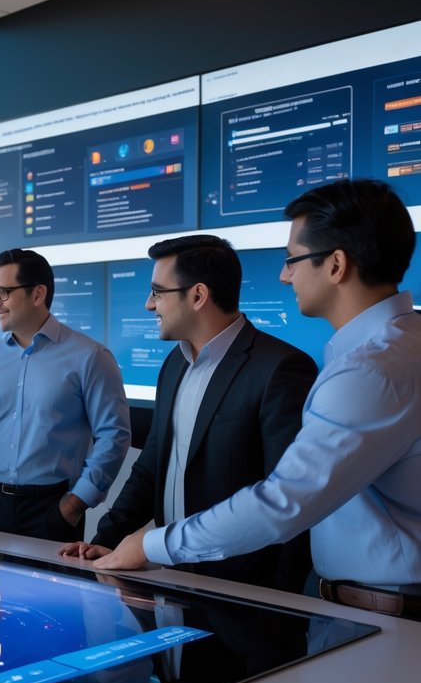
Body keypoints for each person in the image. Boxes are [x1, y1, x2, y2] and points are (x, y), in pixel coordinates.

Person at [66, 179, 421, 621]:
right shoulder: (398, 347)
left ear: (335, 265)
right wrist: (118, 537)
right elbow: (157, 460)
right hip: (347, 604)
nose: (284, 274)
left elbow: (284, 504)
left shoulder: (365, 369)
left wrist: (151, 544)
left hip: (355, 612)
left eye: (293, 260)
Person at [90, 235, 318, 592]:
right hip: (172, 580)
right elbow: (152, 465)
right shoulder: (174, 364)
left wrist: (279, 609)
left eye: (157, 292)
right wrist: (104, 540)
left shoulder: (280, 369)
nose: (149, 305)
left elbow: (293, 504)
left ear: (197, 295)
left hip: (245, 595)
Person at [0, 249, 130, 542]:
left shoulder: (90, 357)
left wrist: (75, 503)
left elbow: (114, 435)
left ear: (37, 294)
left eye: (4, 292)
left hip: (54, 509)